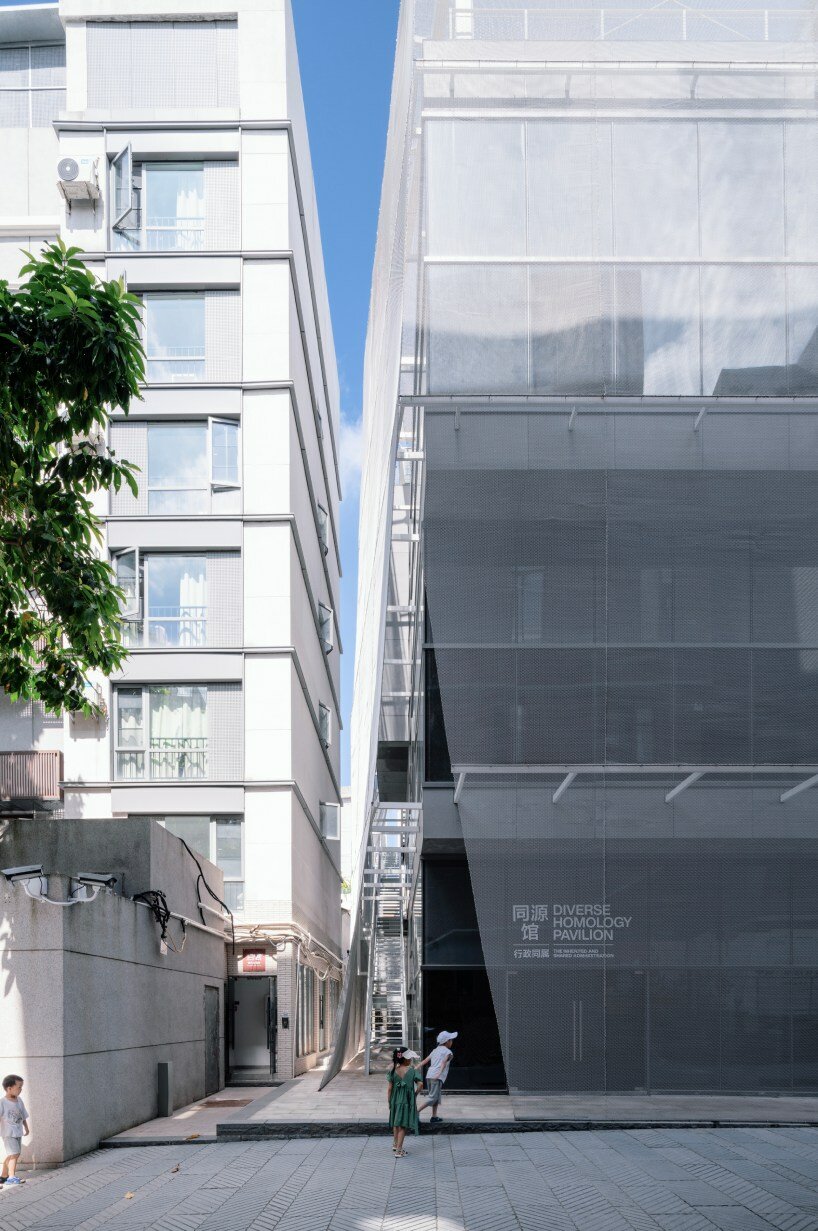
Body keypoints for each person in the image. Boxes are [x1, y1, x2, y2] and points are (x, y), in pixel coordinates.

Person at [387, 1047, 422, 1157]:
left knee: (396, 1121)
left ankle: (395, 1143)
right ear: (406, 1059)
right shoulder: (412, 1071)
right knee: (403, 1125)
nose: (411, 1059)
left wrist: (389, 1101)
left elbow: (389, 1089)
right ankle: (399, 1151)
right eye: (410, 1057)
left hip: (395, 1100)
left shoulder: (393, 1071)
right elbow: (421, 1084)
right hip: (406, 1101)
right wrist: (415, 1094)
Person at [418, 1030, 457, 1124]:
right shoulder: (448, 1052)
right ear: (446, 1041)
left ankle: (434, 1116)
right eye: (451, 1040)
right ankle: (416, 1112)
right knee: (432, 1097)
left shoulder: (435, 1050)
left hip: (430, 1075)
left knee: (436, 1097)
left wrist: (416, 1067)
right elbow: (443, 1062)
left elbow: (426, 1060)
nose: (452, 1042)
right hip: (436, 1076)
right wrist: (439, 1073)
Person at [0, 1075, 29, 1189]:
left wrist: (26, 1127)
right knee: (14, 1154)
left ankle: (4, 1175)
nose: (21, 1090)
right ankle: (11, 1177)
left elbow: (23, 1115)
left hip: (18, 1131)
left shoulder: (19, 1100)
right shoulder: (2, 1102)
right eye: (19, 1087)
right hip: (8, 1133)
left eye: (21, 1087)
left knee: (12, 1154)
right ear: (9, 1088)